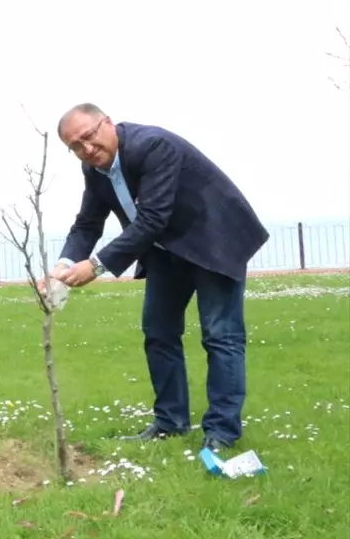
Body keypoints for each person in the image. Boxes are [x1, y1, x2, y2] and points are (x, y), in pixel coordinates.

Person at [49, 104, 269, 453]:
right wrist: (63, 264)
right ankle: (170, 423)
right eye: (75, 145)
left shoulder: (151, 146)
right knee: (158, 332)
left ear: (107, 123)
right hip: (167, 247)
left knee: (221, 336)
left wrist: (96, 265)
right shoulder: (94, 169)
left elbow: (152, 218)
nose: (86, 149)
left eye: (89, 136)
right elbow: (89, 222)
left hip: (214, 238)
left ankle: (222, 432)